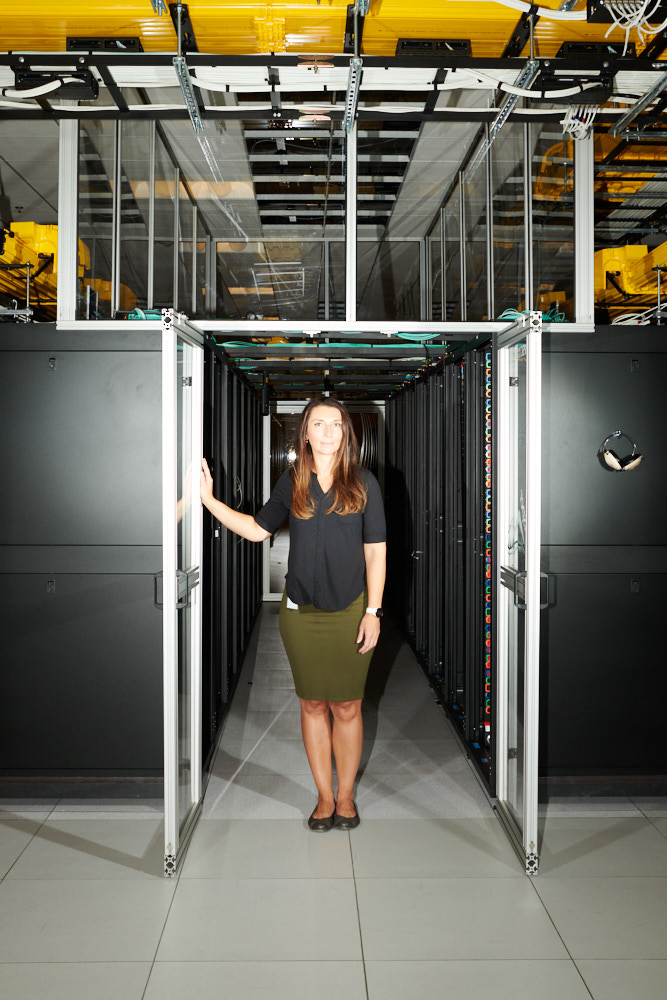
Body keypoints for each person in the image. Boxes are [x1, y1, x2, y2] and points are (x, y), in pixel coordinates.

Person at [200, 395, 386, 832]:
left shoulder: (364, 483)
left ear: (345, 432)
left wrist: (373, 611)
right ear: (305, 432)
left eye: (336, 424)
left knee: (346, 705)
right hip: (300, 614)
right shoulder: (293, 481)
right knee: (312, 703)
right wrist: (208, 500)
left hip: (350, 610)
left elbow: (376, 553)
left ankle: (346, 797)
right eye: (318, 424)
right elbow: (255, 529)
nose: (327, 432)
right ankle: (324, 797)